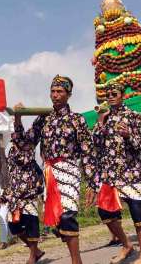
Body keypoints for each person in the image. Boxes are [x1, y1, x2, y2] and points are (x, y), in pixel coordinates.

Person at [12, 75, 95, 264]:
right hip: (49, 171)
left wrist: (92, 182)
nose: (55, 95)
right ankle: (62, 237)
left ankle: (77, 261)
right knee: (58, 219)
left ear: (69, 94)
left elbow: (87, 152)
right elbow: (25, 143)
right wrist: (17, 118)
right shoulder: (44, 118)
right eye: (53, 91)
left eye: (60, 91)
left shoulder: (77, 120)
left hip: (70, 168)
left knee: (68, 214)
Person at [88, 83, 141, 264]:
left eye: (114, 93)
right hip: (110, 175)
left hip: (130, 173)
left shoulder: (132, 117)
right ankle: (126, 245)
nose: (110, 96)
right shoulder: (105, 118)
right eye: (107, 94)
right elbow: (96, 144)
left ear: (122, 95)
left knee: (138, 215)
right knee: (105, 214)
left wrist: (128, 135)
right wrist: (100, 121)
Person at [0, 142, 45, 264]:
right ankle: (36, 251)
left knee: (32, 226)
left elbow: (40, 178)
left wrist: (37, 188)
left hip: (29, 197)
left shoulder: (28, 153)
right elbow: (10, 179)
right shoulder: (10, 157)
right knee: (13, 226)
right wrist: (4, 196)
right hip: (14, 199)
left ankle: (32, 256)